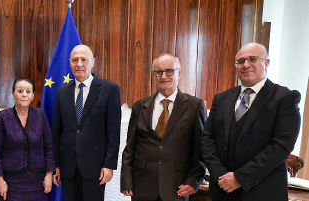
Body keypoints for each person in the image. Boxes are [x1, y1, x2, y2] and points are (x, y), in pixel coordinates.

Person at [201, 43, 301, 201]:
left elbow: (281, 145)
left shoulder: (285, 98)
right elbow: (206, 138)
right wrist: (220, 174)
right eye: (241, 61)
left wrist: (240, 178)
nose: (246, 65)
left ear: (266, 63)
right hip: (222, 191)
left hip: (262, 192)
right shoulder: (221, 98)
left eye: (252, 59)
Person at [120, 54, 206, 201]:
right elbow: (130, 148)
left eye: (169, 71)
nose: (163, 76)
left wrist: (194, 180)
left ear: (179, 73)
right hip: (142, 186)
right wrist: (126, 180)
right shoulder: (140, 106)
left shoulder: (194, 106)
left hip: (177, 187)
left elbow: (201, 149)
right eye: (158, 72)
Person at [52, 45, 121, 201]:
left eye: (84, 59)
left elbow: (113, 132)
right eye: (75, 60)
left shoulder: (110, 89)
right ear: (70, 63)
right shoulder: (61, 92)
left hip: (95, 166)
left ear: (93, 62)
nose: (79, 64)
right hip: (67, 166)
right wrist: (55, 165)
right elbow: (56, 132)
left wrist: (109, 165)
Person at [0, 77, 55, 201]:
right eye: (20, 91)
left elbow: (49, 147)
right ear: (13, 94)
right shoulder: (3, 117)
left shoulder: (40, 115)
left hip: (38, 180)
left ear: (33, 95)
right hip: (10, 181)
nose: (24, 95)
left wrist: (48, 174)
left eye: (28, 91)